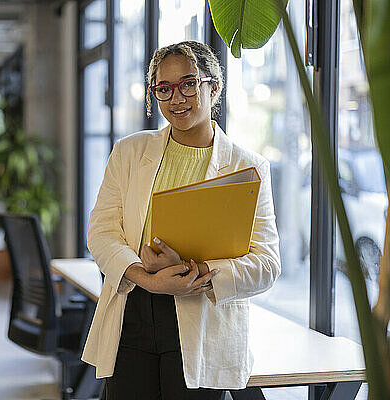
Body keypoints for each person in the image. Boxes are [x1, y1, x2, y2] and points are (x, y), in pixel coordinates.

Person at [81, 41, 282, 399]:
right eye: (164, 89)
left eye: (189, 84)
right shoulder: (129, 153)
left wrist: (195, 270)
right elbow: (101, 232)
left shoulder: (247, 168)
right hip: (134, 310)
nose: (177, 99)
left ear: (213, 86)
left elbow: (266, 264)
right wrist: (149, 279)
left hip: (203, 320)